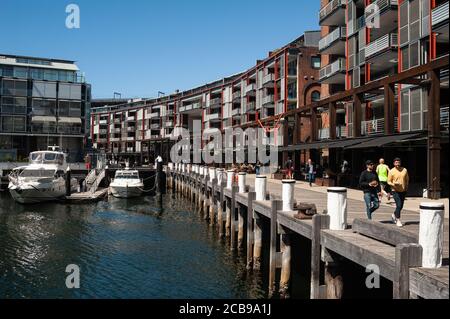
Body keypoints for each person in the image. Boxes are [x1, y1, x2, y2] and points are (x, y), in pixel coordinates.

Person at [387, 158, 409, 227]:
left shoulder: (404, 170)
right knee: (398, 205)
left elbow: (407, 179)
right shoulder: (391, 171)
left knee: (401, 206)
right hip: (395, 190)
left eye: (398, 162)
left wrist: (406, 187)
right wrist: (394, 184)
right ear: (394, 163)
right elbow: (388, 181)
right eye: (396, 162)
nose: (397, 164)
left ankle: (394, 214)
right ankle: (398, 220)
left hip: (403, 190)